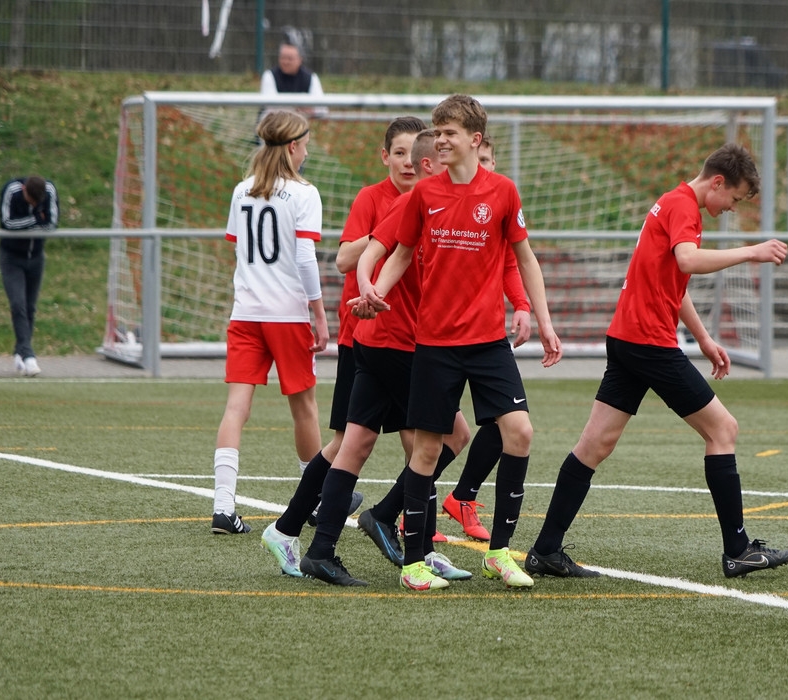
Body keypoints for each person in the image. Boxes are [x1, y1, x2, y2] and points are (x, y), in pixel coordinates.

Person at [527, 143, 788, 580]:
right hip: (648, 344)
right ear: (717, 182)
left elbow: (674, 279)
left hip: (628, 339)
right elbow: (687, 260)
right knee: (723, 429)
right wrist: (752, 251)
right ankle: (738, 550)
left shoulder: (674, 203)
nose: (732, 208)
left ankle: (545, 550)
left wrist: (704, 338)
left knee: (595, 445)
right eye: (734, 198)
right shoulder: (682, 206)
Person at [359, 94, 562, 590]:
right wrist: (375, 292)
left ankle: (499, 554)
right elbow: (400, 254)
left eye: (448, 132)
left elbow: (525, 259)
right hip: (435, 345)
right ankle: (413, 564)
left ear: (474, 139)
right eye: (438, 131)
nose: (440, 140)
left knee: (520, 432)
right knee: (427, 451)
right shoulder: (425, 194)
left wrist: (544, 320)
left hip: (488, 342)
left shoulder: (504, 192)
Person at [258, 116, 429, 580]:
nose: (409, 163)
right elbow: (344, 258)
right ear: (386, 156)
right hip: (368, 337)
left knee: (374, 443)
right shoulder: (375, 199)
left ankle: (298, 529)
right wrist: (388, 236)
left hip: (406, 339)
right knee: (408, 441)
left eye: (414, 155)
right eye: (400, 154)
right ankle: (411, 539)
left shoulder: (431, 200)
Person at [211, 109, 328, 535]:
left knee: (235, 408)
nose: (307, 152)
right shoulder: (304, 193)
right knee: (304, 408)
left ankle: (223, 506)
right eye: (306, 145)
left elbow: (240, 250)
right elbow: (304, 258)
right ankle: (315, 502)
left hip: (246, 312)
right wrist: (319, 312)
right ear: (294, 146)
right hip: (287, 315)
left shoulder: (241, 190)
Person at [442, 132, 532, 541]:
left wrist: (523, 306)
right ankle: (400, 512)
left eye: (490, 160)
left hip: (485, 337)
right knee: (429, 440)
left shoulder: (499, 199)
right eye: (481, 160)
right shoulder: (437, 200)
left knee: (510, 425)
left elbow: (512, 263)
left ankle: (462, 498)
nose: (487, 167)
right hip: (436, 338)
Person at [0, 176, 59, 378]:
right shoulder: (11, 191)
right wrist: (35, 219)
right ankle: (29, 355)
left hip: (36, 257)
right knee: (18, 305)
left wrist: (32, 223)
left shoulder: (49, 191)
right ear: (24, 190)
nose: (34, 205)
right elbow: (7, 223)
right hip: (11, 258)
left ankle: (20, 352)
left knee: (30, 307)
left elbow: (51, 223)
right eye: (30, 201)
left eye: (37, 203)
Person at [259, 40, 325, 118]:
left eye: (290, 59)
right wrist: (300, 107)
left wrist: (285, 107)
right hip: (274, 124)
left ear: (300, 59)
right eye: (283, 58)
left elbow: (321, 109)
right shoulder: (269, 75)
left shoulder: (311, 78)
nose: (286, 62)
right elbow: (270, 106)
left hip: (301, 124)